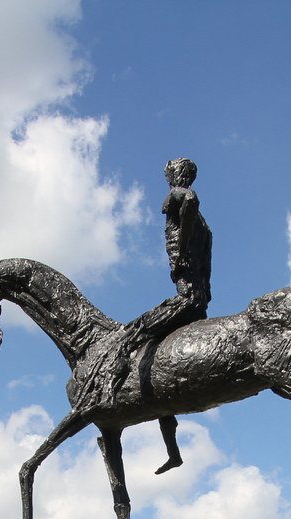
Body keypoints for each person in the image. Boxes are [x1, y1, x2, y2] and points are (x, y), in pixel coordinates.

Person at [76, 157, 213, 474]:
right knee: (154, 363)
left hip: (185, 299)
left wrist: (180, 247)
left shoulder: (180, 196)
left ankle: (108, 394)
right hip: (200, 302)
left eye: (169, 174)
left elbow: (190, 199)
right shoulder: (206, 229)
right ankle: (173, 452)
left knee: (130, 335)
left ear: (176, 175)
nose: (167, 178)